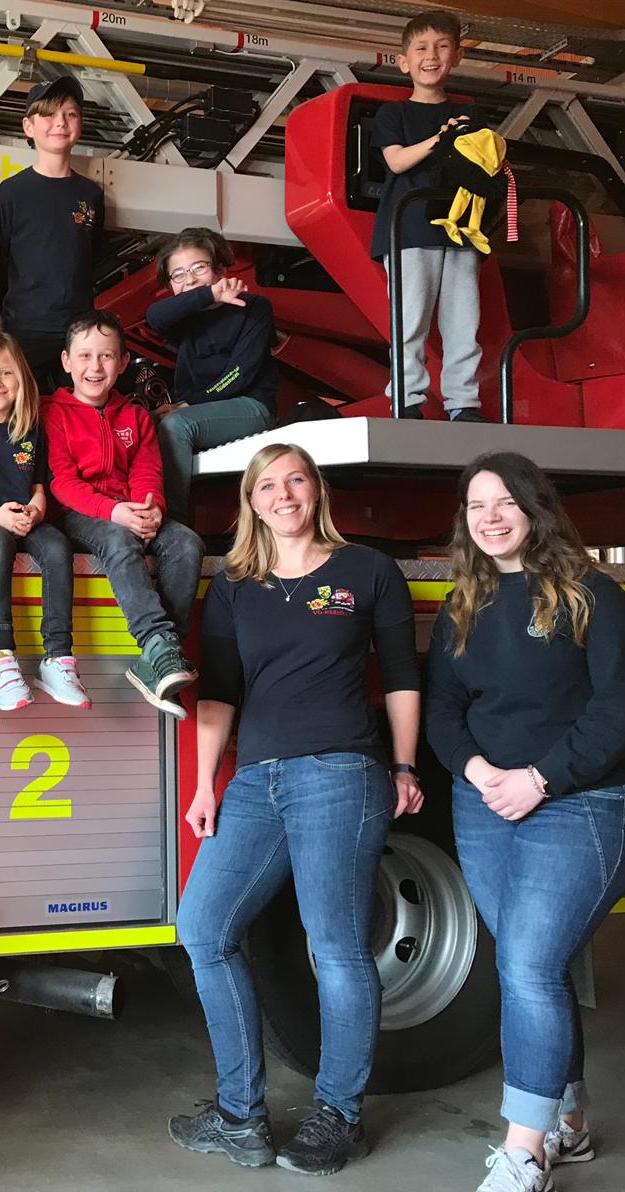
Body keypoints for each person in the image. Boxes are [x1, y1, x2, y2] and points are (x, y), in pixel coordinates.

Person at [170, 442, 423, 1176]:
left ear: (317, 491)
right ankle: (241, 1117)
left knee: (336, 946)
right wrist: (205, 784)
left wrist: (405, 764)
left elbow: (402, 677)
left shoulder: (367, 570)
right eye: (268, 486)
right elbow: (220, 691)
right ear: (250, 502)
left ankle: (338, 1117)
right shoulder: (234, 586)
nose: (283, 496)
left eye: (296, 481)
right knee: (203, 928)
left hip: (341, 772)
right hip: (257, 781)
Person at [425, 452, 625, 1192]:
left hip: (582, 803)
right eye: (476, 506)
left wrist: (541, 778)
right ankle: (569, 1123)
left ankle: (523, 1153)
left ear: (535, 508)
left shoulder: (593, 596)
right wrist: (476, 771)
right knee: (532, 966)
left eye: (504, 502)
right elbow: (443, 707)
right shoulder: (464, 605)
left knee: (526, 964)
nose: (490, 518)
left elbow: (623, 710)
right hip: (487, 803)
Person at [43, 310, 203, 716]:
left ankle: (162, 657)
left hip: (132, 510)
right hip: (78, 513)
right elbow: (62, 482)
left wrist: (151, 509)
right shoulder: (52, 413)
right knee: (119, 538)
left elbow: (147, 472)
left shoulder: (136, 417)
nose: (95, 367)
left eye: (106, 356)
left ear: (123, 361)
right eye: (85, 356)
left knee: (186, 542)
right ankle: (156, 642)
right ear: (66, 361)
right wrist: (114, 512)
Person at [0, 330, 87, 712]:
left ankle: (58, 656)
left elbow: (39, 488)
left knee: (57, 546)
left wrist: (36, 511)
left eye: (5, 373)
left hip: (25, 517)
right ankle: (2, 658)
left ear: (21, 377)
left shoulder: (30, 427)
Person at [371, 10, 489, 422]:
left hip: (462, 229)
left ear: (456, 56)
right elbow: (397, 161)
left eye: (441, 47)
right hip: (408, 229)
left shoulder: (473, 116)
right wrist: (442, 139)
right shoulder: (393, 114)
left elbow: (486, 167)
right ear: (403, 62)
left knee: (464, 322)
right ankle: (406, 400)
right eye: (421, 48)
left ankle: (464, 403)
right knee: (409, 322)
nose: (432, 56)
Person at [145, 228, 279, 522]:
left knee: (176, 425)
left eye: (199, 268)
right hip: (196, 409)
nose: (189, 279)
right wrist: (206, 294)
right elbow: (154, 317)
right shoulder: (185, 318)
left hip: (251, 405)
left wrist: (189, 405)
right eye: (178, 274)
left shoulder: (254, 308)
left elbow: (239, 375)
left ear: (219, 269)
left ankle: (172, 524)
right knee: (140, 423)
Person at [0, 75, 104, 395]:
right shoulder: (10, 194)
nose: (60, 122)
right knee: (25, 413)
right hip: (25, 330)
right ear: (28, 127)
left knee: (78, 414)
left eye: (70, 114)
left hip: (79, 332)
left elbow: (91, 258)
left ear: (79, 125)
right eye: (49, 114)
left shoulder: (91, 195)